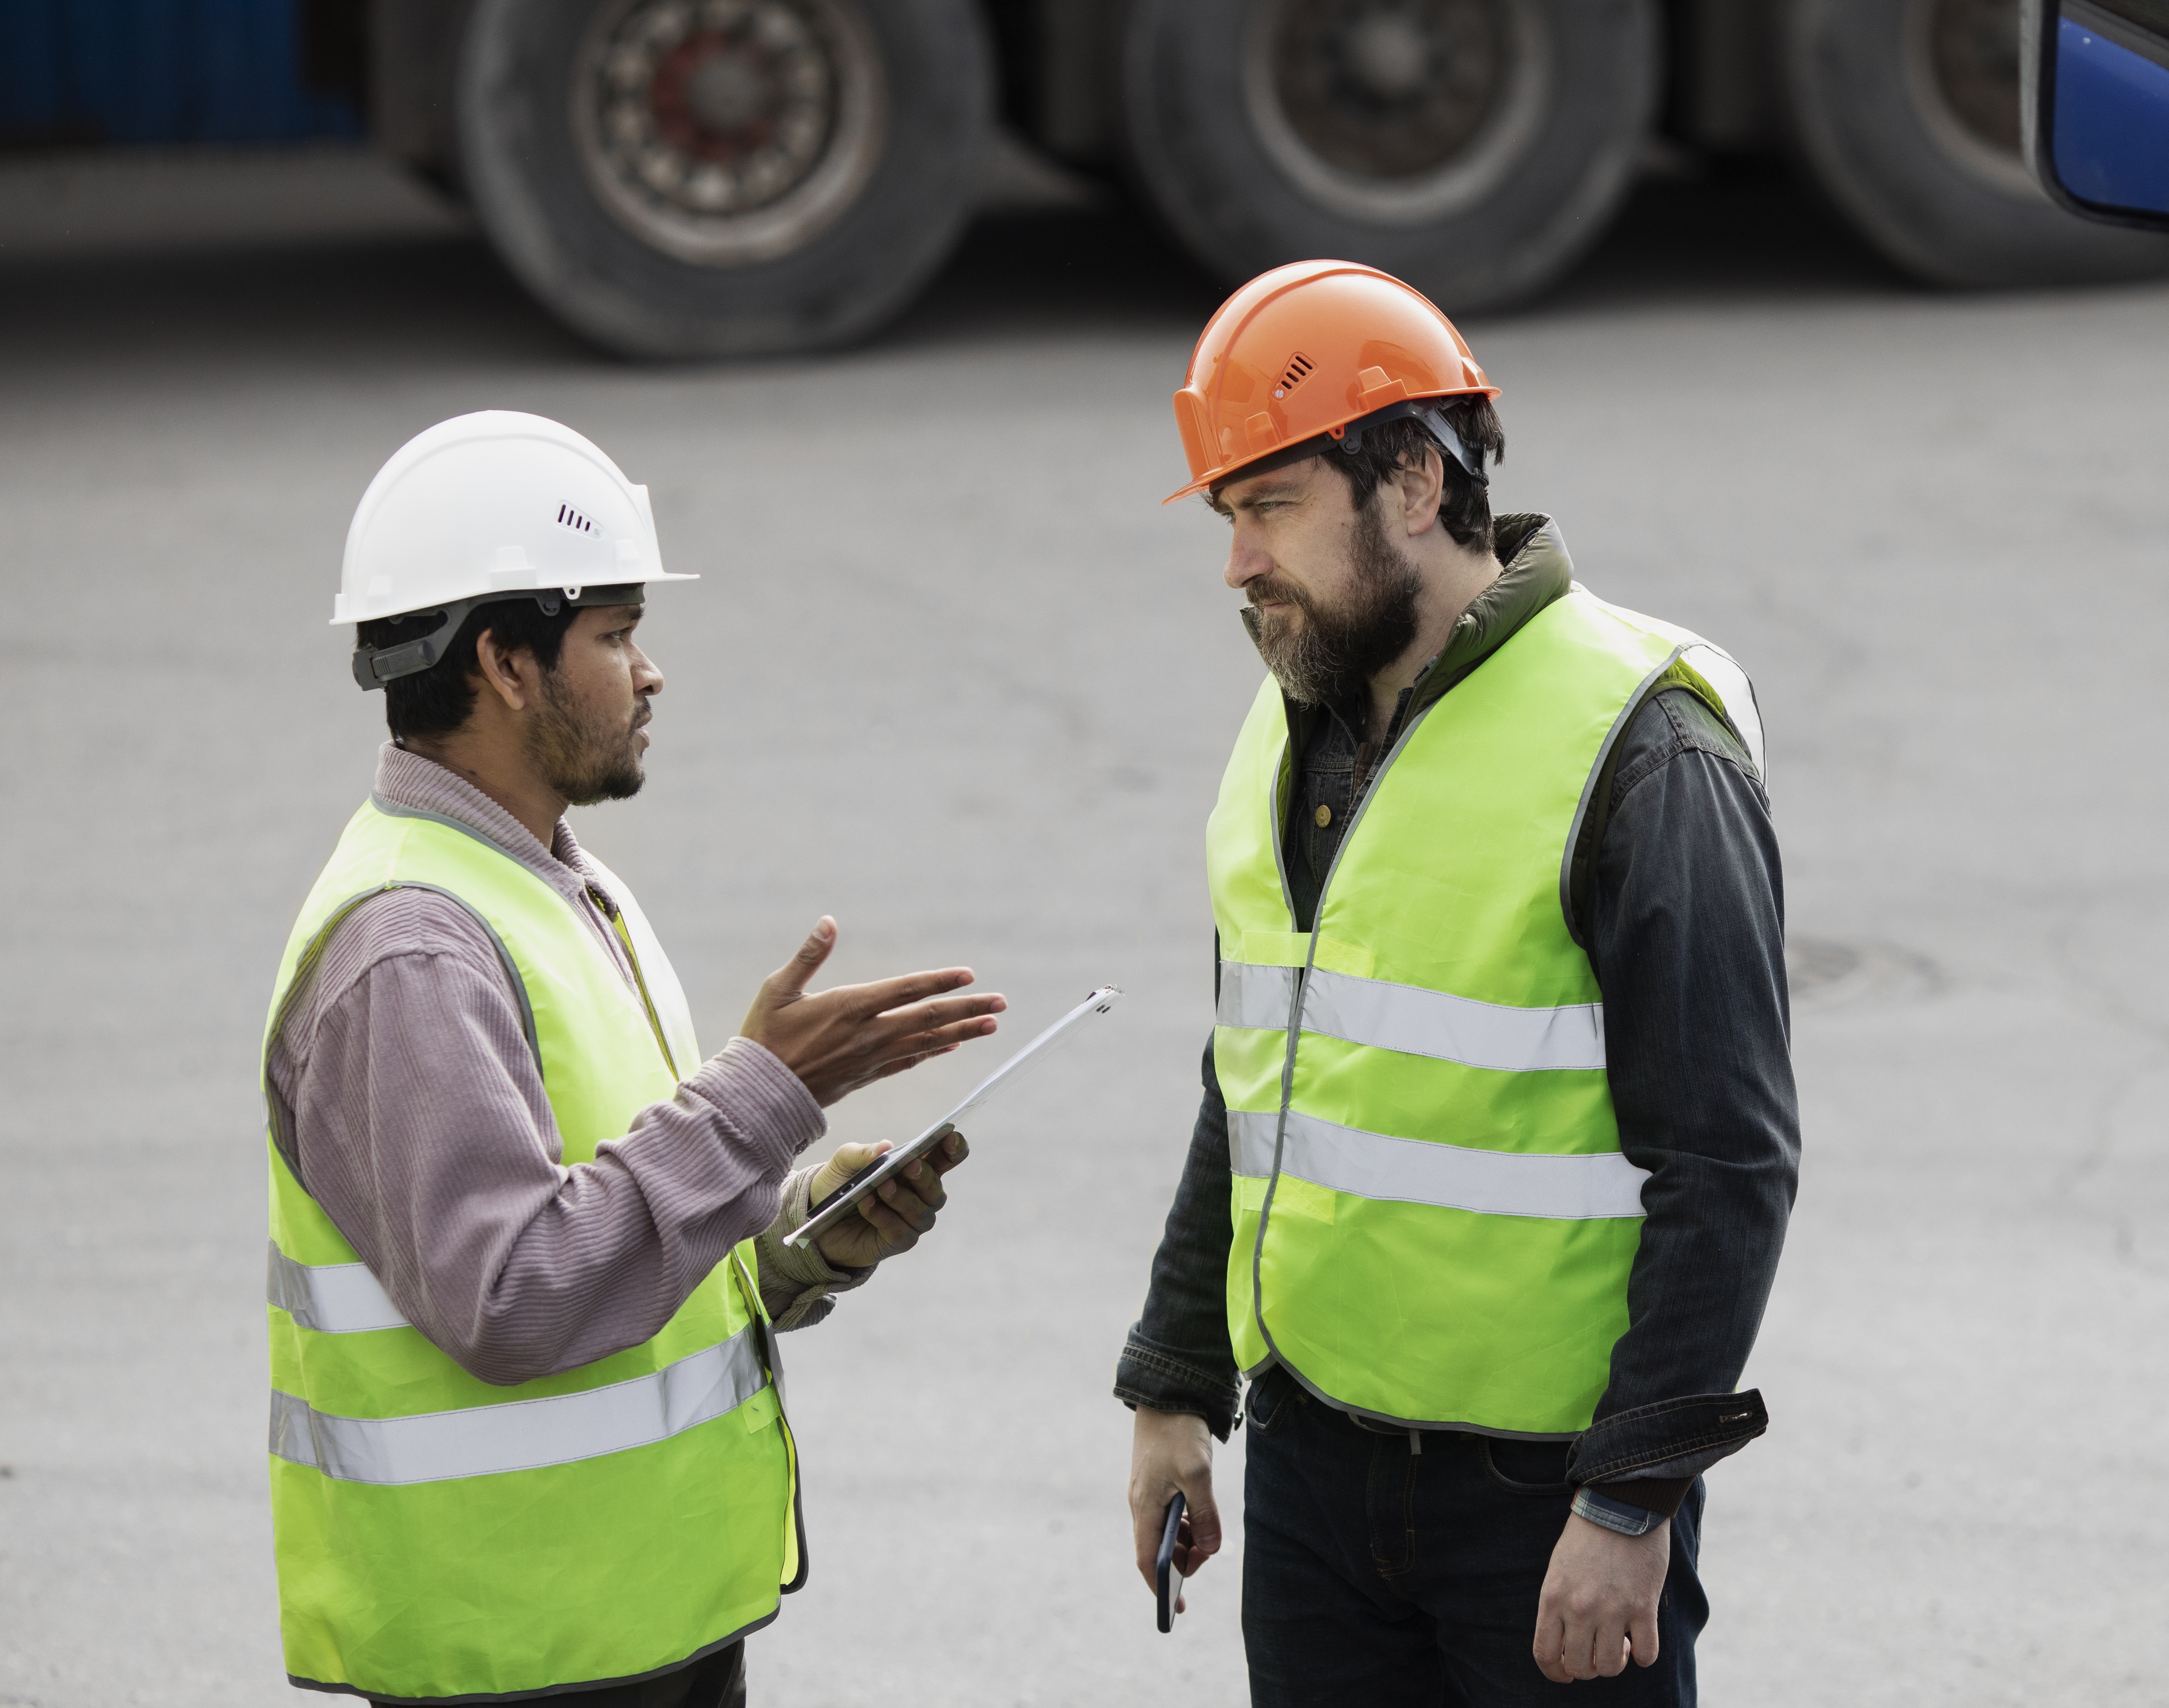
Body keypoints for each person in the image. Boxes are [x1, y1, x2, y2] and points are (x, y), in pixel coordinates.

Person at [1116, 263, 1800, 1703]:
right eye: (1228, 517)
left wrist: (1631, 1502)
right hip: (1310, 1465)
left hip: (1544, 1496)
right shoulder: (1290, 722)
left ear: (1415, 483)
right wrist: (1176, 1381)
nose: (1237, 563)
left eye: (1269, 507)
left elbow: (1726, 1164)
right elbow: (1255, 1073)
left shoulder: (1642, 748)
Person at [263, 411, 1005, 1707]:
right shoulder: (413, 951)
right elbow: (514, 1297)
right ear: (505, 663)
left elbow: (599, 1226)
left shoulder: (546, 880)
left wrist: (790, 1242)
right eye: (614, 635)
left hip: (625, 1626)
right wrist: (765, 1094)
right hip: (519, 1653)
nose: (650, 673)